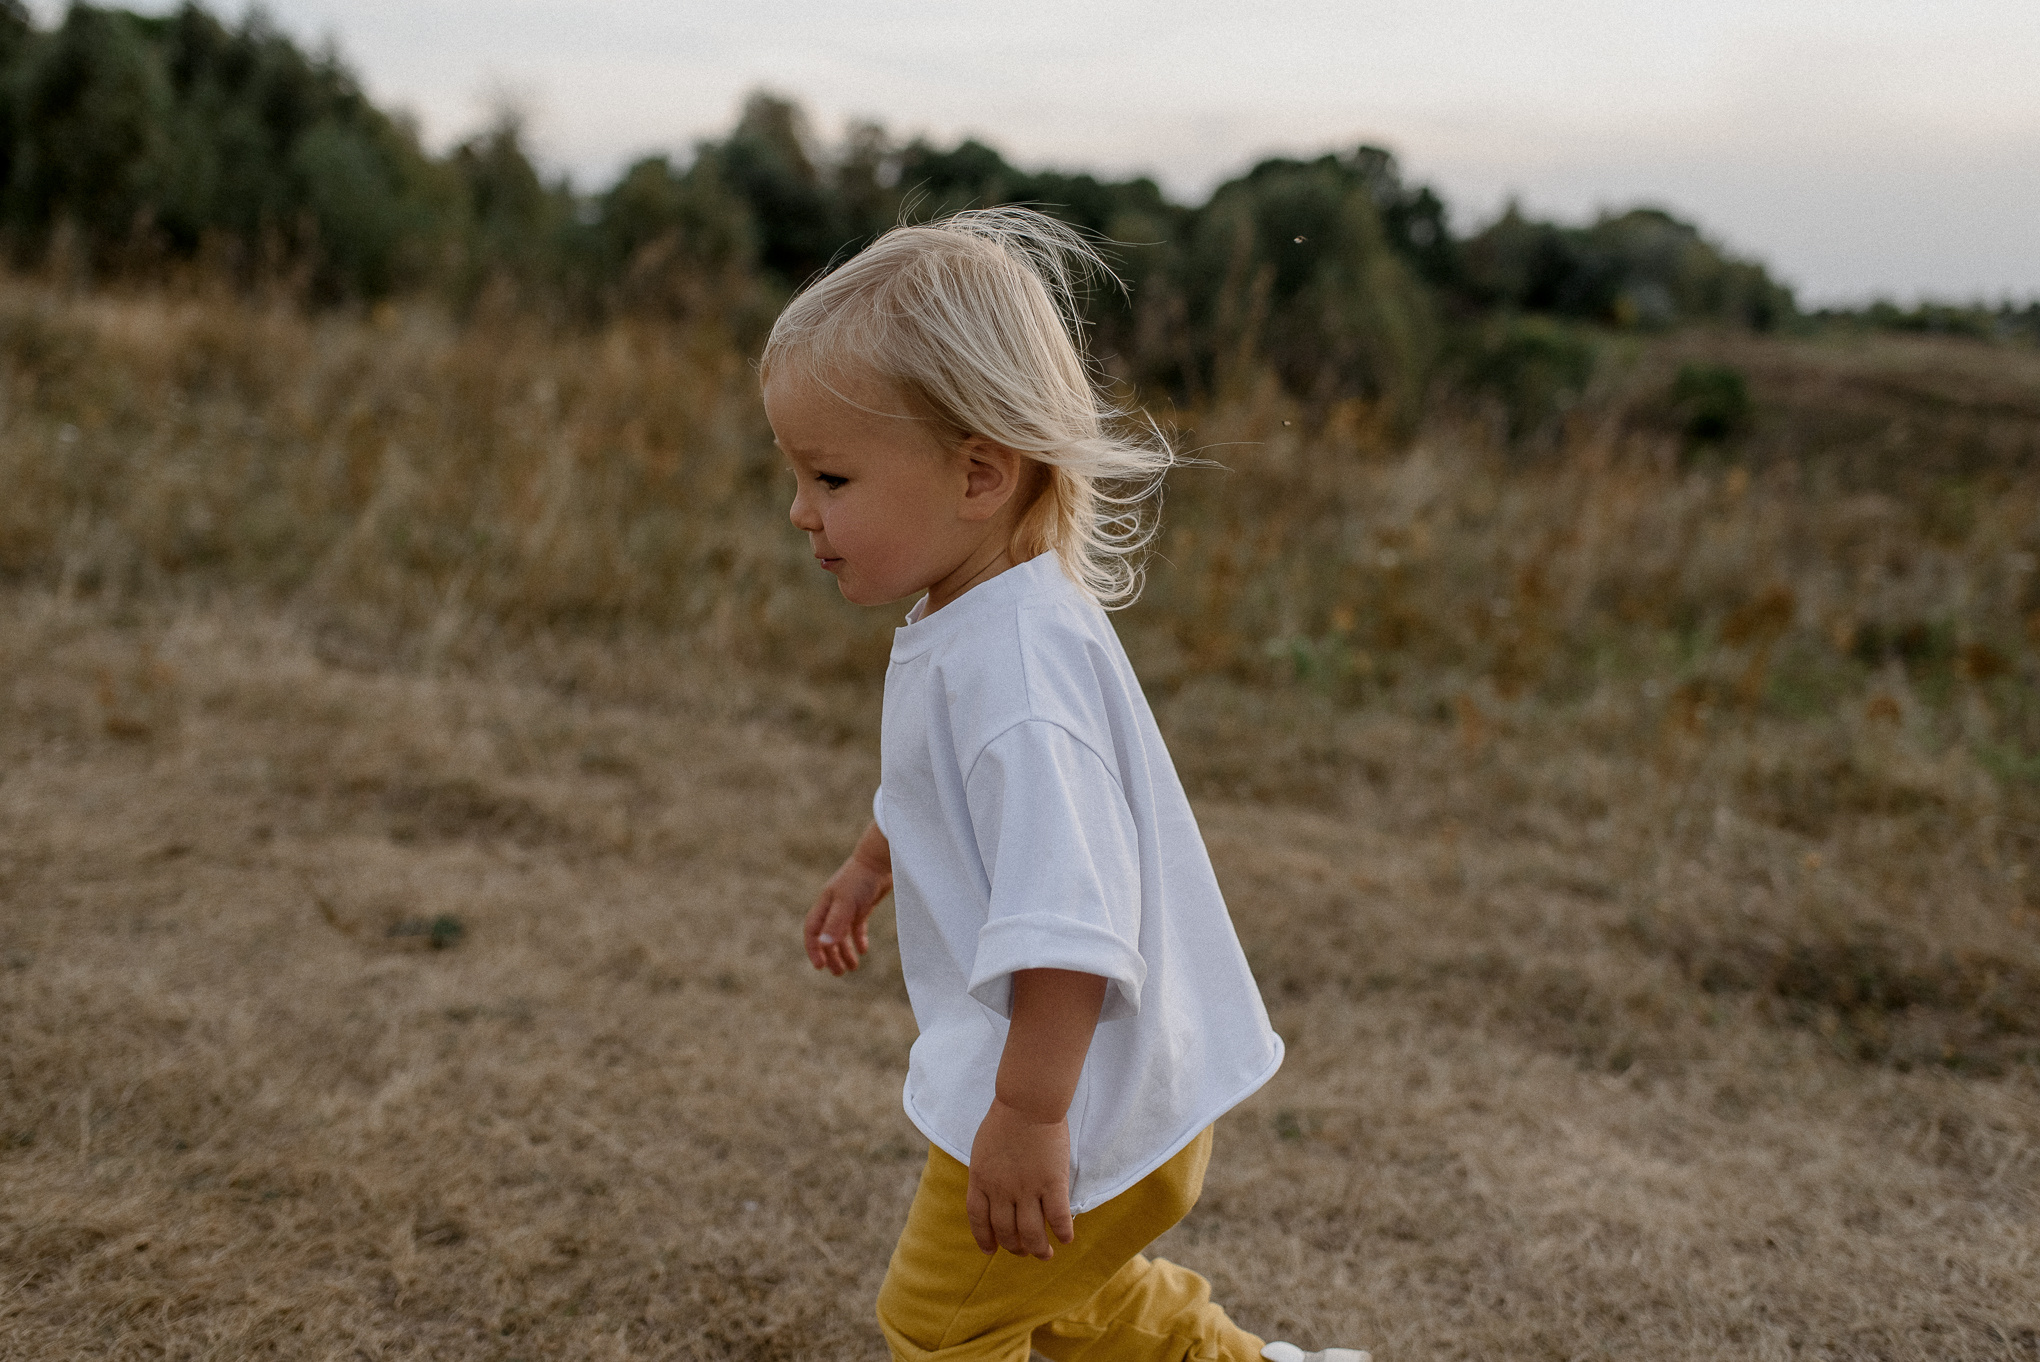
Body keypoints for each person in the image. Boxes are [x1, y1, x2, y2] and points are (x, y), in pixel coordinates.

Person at [762, 207, 1369, 1362]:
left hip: (1071, 1094)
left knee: (940, 1325)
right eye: (794, 473)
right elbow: (947, 792)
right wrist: (871, 862)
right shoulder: (977, 617)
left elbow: (1073, 929)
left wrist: (1030, 1120)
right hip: (1086, 1091)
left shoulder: (1019, 674)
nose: (801, 511)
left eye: (830, 476)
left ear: (980, 473)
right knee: (1069, 1299)